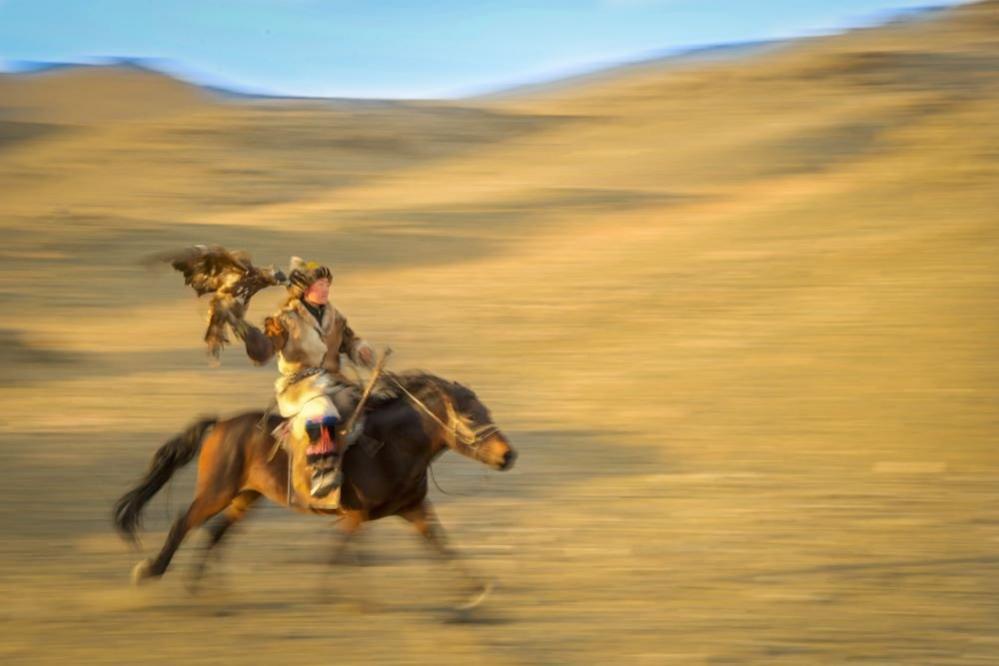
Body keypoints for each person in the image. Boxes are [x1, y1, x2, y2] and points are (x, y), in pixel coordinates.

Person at [242, 257, 375, 498]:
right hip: (299, 386)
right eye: (319, 284)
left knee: (364, 403)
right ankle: (321, 470)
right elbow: (264, 351)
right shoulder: (285, 319)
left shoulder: (336, 317)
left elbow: (350, 341)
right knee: (322, 409)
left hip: (334, 382)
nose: (325, 289)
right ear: (304, 289)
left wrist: (361, 350)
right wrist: (250, 336)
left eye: (327, 284)